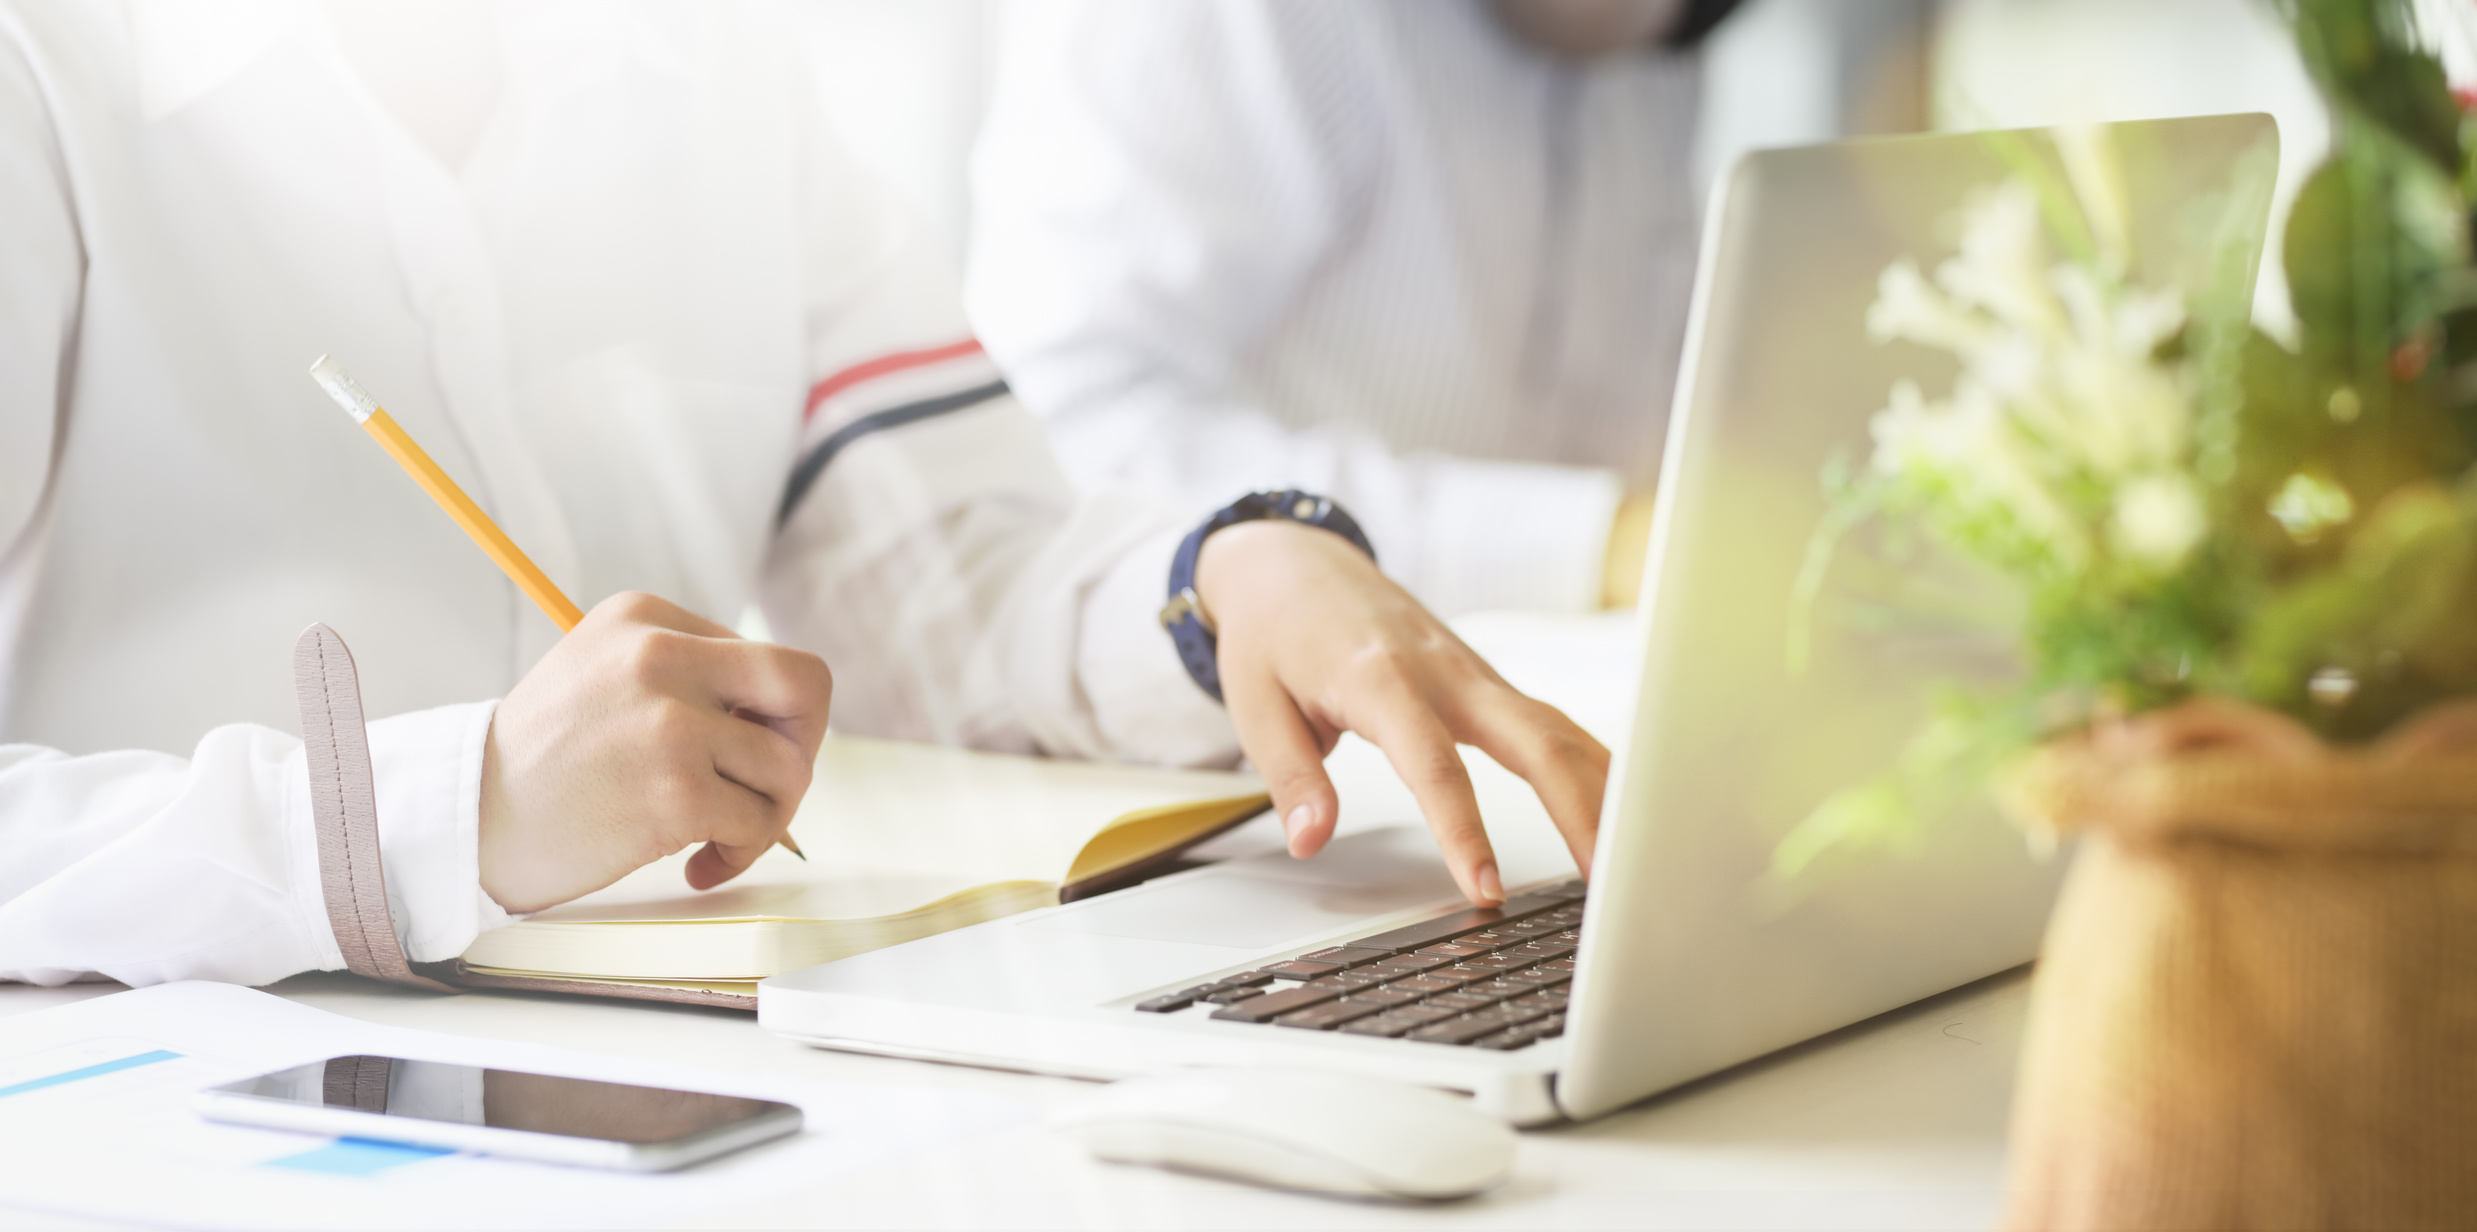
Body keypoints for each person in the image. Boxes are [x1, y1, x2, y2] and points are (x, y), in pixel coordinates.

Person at [0, 0, 1604, 989]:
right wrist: (453, 809)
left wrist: (1220, 586)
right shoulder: (44, 78)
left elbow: (954, 580)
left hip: (703, 1090)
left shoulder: (719, 72)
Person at [966, 0, 1741, 618]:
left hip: (1585, 721)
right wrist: (1592, 548)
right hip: (1248, 758)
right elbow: (1064, 440)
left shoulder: (1659, 48)